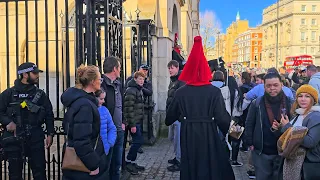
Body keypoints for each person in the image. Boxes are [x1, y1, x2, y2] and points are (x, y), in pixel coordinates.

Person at [165, 36, 234, 180]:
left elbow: (169, 118)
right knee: (208, 165)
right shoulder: (214, 92)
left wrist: (183, 117)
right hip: (208, 133)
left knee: (190, 166)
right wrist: (230, 131)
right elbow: (222, 118)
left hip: (188, 133)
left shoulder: (181, 92)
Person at [0, 62, 54, 180]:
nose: (37, 76)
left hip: (35, 137)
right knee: (15, 174)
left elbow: (49, 114)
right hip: (14, 138)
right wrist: (8, 122)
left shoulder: (40, 94)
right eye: (34, 73)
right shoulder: (8, 94)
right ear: (25, 75)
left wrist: (50, 133)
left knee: (39, 173)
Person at [61, 65, 107, 179]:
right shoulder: (84, 105)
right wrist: (93, 164)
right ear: (92, 81)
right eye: (99, 79)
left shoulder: (83, 101)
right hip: (81, 167)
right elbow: (81, 141)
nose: (100, 82)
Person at [245, 73, 292, 180]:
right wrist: (250, 142)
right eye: (268, 86)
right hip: (262, 152)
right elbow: (249, 123)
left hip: (283, 153)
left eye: (275, 85)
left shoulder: (290, 103)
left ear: (281, 85)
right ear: (264, 86)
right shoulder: (256, 103)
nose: (272, 89)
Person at [273, 85, 320, 180]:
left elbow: (311, 142)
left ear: (313, 100)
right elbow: (289, 136)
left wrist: (287, 127)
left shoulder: (315, 116)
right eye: (300, 96)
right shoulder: (298, 114)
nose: (303, 99)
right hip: (293, 160)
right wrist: (279, 128)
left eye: (307, 96)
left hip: (307, 164)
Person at [101, 57, 126, 180]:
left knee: (117, 165)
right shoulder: (101, 85)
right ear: (115, 69)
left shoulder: (119, 84)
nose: (120, 70)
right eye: (119, 67)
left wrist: (123, 122)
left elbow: (122, 104)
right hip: (107, 131)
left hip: (119, 129)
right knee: (106, 165)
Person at [123, 71, 146, 175]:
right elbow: (128, 108)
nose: (142, 81)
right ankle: (128, 162)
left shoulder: (138, 89)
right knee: (138, 141)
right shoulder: (131, 90)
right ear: (135, 79)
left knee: (138, 141)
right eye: (140, 79)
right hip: (133, 122)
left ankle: (132, 162)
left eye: (143, 79)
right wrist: (132, 124)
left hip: (137, 120)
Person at [166, 60, 185, 172]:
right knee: (173, 139)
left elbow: (180, 100)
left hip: (178, 116)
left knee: (178, 140)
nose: (170, 70)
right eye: (169, 68)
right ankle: (176, 157)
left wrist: (178, 115)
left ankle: (179, 161)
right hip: (172, 115)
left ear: (177, 68)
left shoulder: (181, 81)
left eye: (172, 68)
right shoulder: (173, 81)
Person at [95, 89, 117, 177]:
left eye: (103, 99)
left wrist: (110, 142)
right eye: (101, 99)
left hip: (104, 148)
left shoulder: (104, 110)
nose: (103, 101)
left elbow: (112, 127)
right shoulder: (89, 109)